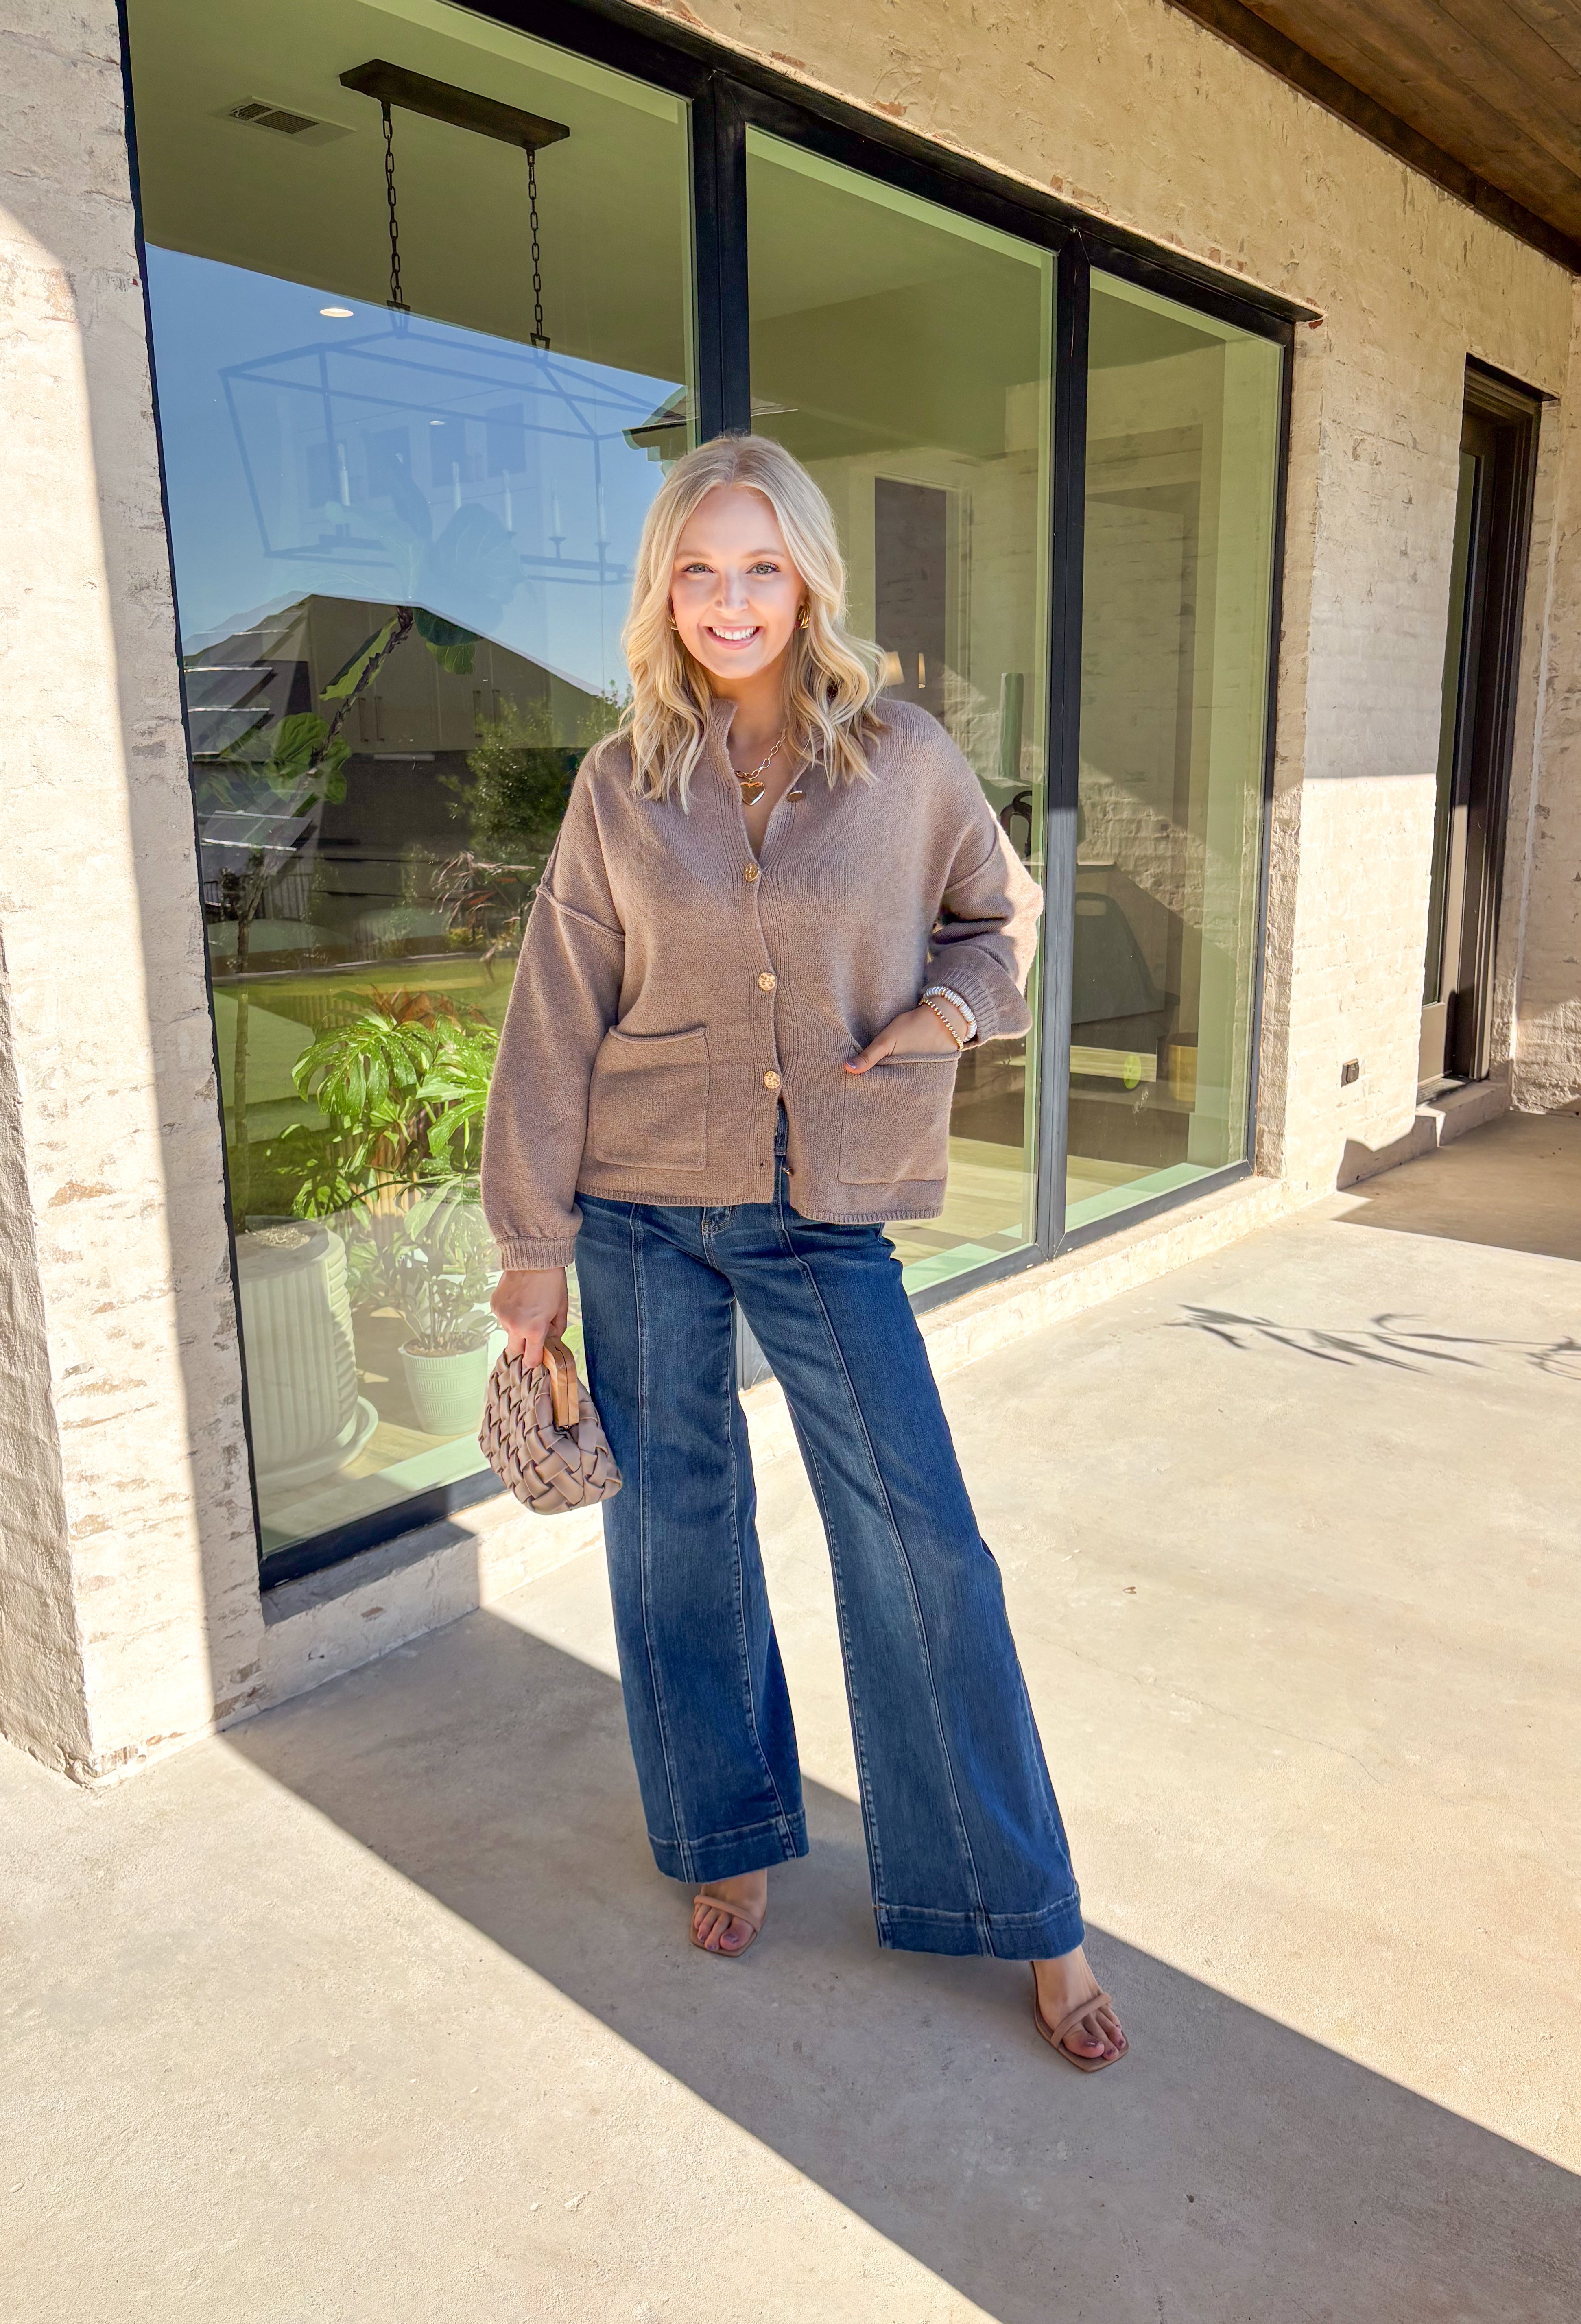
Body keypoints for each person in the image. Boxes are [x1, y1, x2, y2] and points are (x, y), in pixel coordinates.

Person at [483, 433, 1127, 2071]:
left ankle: (1025, 1905)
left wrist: (947, 1015)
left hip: (824, 1213)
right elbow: (555, 1016)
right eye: (697, 571)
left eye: (759, 568)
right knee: (677, 1539)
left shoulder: (903, 760)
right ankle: (727, 1832)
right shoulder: (620, 784)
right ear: (663, 592)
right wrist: (533, 1243)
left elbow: (1001, 915)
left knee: (924, 1548)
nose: (729, 602)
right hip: (638, 1210)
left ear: (808, 582)